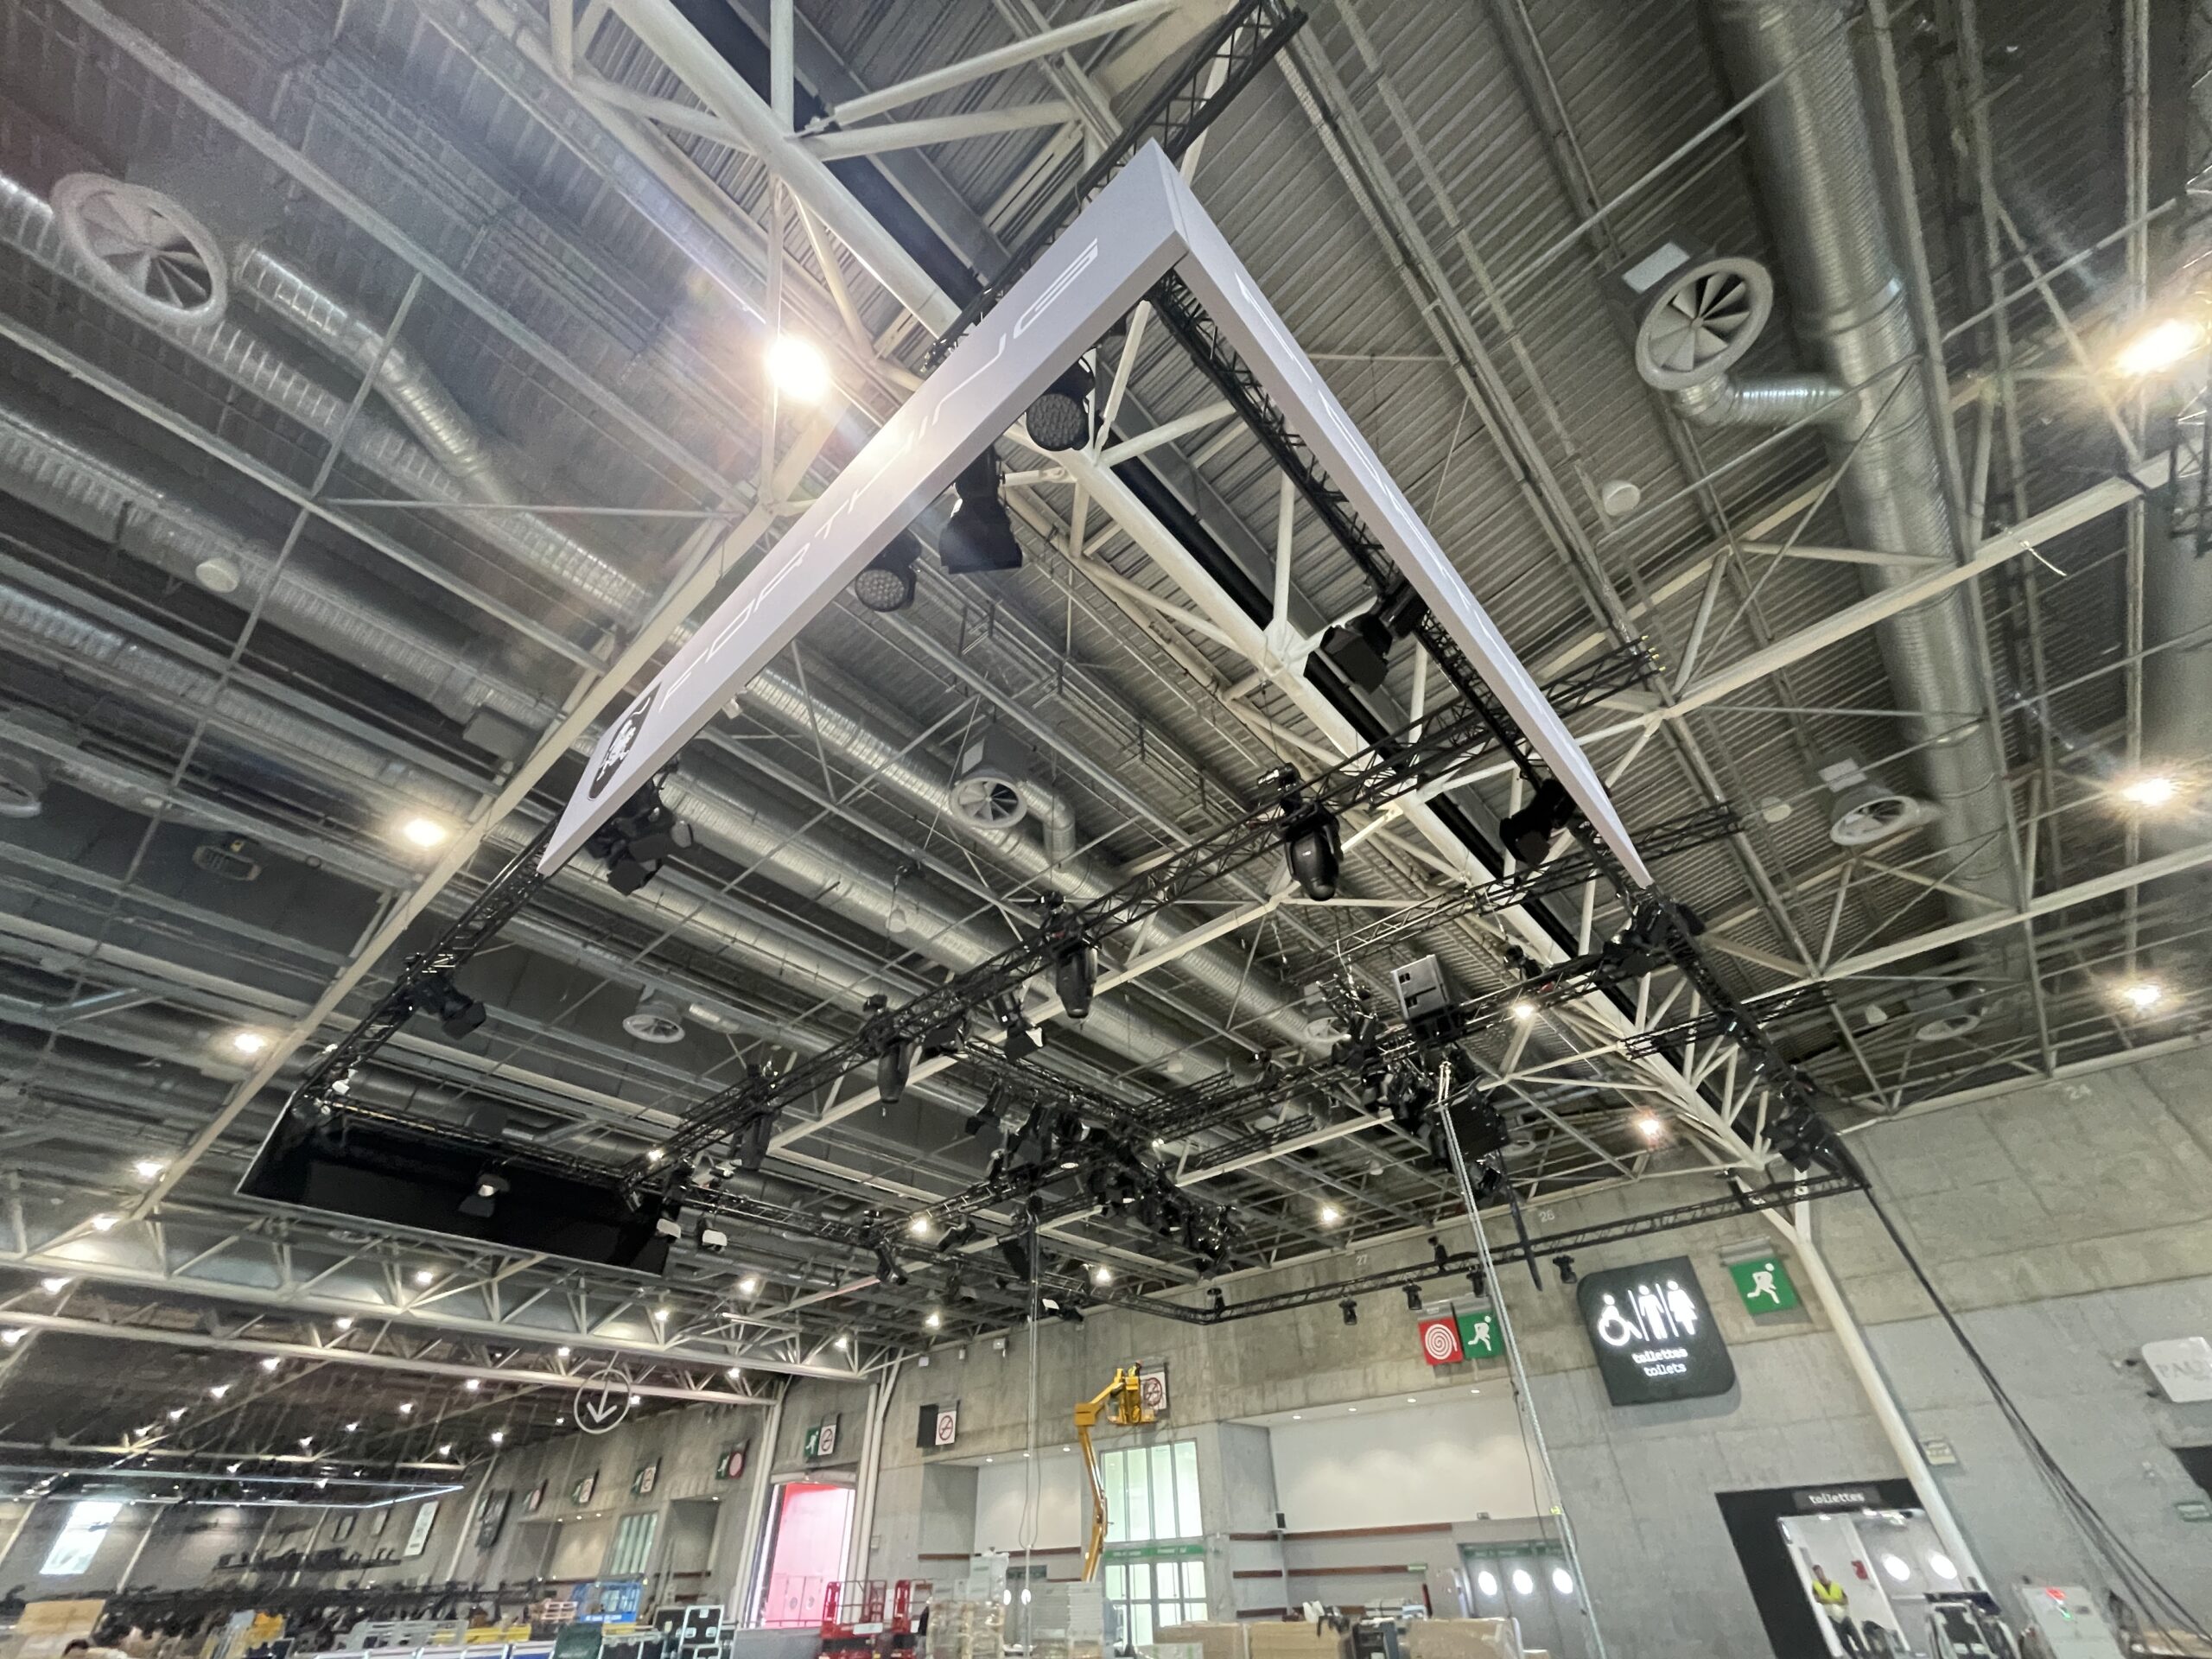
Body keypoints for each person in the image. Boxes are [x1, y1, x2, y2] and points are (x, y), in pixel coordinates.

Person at [1809, 1567, 1865, 1656]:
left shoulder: (1835, 1585)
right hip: (1833, 1617)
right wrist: (1833, 1601)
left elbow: (1845, 1600)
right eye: (1817, 1573)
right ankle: (1854, 1657)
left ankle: (1866, 1656)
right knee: (1844, 1642)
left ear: (1822, 1571)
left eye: (1819, 1572)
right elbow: (1818, 1599)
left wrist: (1832, 1601)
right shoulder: (1816, 1586)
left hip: (1844, 1615)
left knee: (1857, 1638)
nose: (1819, 1575)